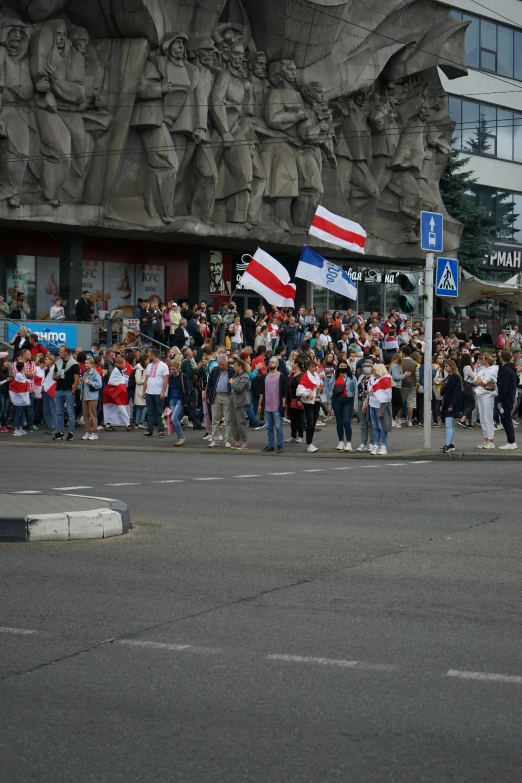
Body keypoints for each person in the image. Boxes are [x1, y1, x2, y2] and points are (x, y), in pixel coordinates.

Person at [259, 355, 288, 453]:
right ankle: (271, 445)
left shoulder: (281, 376)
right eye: (270, 362)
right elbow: (262, 392)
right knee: (269, 427)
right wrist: (260, 404)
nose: (270, 363)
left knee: (279, 427)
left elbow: (284, 392)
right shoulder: (265, 377)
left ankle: (280, 445)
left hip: (277, 406)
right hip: (267, 406)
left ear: (277, 364)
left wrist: (283, 405)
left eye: (272, 362)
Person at [52, 345, 80, 442]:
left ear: (66, 353)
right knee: (59, 412)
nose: (59, 353)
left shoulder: (74, 364)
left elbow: (76, 379)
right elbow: (53, 376)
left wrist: (73, 390)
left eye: (61, 352)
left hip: (68, 390)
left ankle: (71, 432)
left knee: (70, 413)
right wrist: (55, 377)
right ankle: (60, 432)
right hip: (59, 389)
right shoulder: (57, 363)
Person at [207, 354, 234, 448]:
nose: (221, 366)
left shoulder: (232, 371)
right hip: (216, 396)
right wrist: (208, 396)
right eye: (219, 364)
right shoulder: (215, 371)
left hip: (227, 396)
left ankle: (228, 440)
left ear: (227, 363)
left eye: (223, 364)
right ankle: (215, 440)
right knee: (215, 419)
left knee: (228, 419)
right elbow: (210, 384)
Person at [142, 348, 169, 438]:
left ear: (153, 355)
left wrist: (163, 392)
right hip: (149, 392)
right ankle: (149, 430)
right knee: (150, 412)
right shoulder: (149, 366)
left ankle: (161, 430)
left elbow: (165, 380)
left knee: (161, 412)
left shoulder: (163, 366)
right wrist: (144, 390)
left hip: (158, 392)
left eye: (149, 355)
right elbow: (146, 379)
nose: (148, 356)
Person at [296, 358, 321, 453]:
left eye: (315, 366)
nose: (314, 368)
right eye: (312, 366)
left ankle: (310, 442)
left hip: (317, 400)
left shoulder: (316, 376)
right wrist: (306, 394)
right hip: (309, 402)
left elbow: (318, 386)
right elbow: (300, 390)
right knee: (310, 423)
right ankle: (308, 444)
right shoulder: (305, 376)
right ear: (308, 367)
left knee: (313, 423)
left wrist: (320, 389)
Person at [473, 353, 498, 449]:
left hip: (487, 395)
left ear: (487, 360)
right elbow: (475, 381)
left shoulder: (493, 370)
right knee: (483, 418)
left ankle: (491, 440)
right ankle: (486, 439)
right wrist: (481, 381)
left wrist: (481, 381)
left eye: (483, 358)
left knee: (488, 418)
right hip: (480, 395)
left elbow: (483, 382)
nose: (481, 359)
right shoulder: (483, 369)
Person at [368, 363, 393, 455]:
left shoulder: (385, 380)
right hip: (372, 405)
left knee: (382, 427)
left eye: (374, 370)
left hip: (380, 407)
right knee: (375, 427)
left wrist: (382, 410)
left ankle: (383, 446)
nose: (372, 371)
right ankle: (376, 445)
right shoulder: (372, 379)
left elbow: (386, 397)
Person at [332, 359, 356, 451]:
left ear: (347, 367)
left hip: (348, 400)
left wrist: (355, 405)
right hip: (336, 400)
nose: (343, 368)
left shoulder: (351, 377)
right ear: (338, 367)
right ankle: (341, 441)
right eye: (341, 366)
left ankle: (349, 442)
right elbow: (330, 390)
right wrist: (329, 404)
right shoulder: (334, 377)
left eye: (344, 366)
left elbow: (355, 391)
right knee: (339, 421)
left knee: (346, 421)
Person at [497, 349, 518, 450]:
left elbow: (502, 387)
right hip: (510, 396)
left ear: (501, 359)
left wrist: (500, 400)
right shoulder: (512, 369)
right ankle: (511, 441)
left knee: (506, 419)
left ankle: (511, 441)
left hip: (506, 398)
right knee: (506, 419)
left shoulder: (505, 370)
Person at [229, 358, 251, 450]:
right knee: (233, 422)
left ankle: (244, 442)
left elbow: (239, 388)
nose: (234, 368)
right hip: (233, 400)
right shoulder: (235, 375)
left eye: (235, 366)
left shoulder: (245, 376)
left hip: (241, 401)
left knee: (241, 422)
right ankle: (237, 441)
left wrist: (232, 384)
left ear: (241, 366)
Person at [440, 359, 462, 454]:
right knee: (450, 424)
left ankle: (448, 444)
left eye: (446, 366)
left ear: (451, 367)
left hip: (450, 403)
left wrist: (451, 405)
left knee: (449, 424)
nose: (445, 368)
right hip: (448, 402)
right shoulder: (450, 376)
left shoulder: (455, 377)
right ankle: (451, 444)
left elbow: (455, 392)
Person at [168, 357, 190, 447]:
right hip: (172, 400)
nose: (172, 370)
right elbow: (169, 389)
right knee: (175, 419)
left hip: (180, 400)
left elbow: (187, 389)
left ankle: (181, 436)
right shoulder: (170, 378)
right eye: (171, 369)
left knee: (174, 418)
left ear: (178, 368)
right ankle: (179, 437)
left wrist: (185, 401)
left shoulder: (183, 376)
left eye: (174, 369)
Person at [80, 355, 102, 440]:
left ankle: (94, 432)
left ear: (92, 364)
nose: (85, 364)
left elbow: (99, 384)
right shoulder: (85, 373)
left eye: (87, 363)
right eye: (85, 363)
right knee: (86, 415)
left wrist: (90, 382)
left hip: (92, 396)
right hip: (84, 396)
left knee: (92, 414)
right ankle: (88, 431)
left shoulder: (95, 373)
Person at [356, 358, 374, 452]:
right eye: (365, 366)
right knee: (363, 423)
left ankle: (372, 443)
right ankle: (363, 443)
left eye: (368, 366)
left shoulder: (373, 378)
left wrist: (365, 402)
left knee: (370, 423)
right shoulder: (361, 377)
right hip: (360, 401)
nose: (366, 368)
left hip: (370, 402)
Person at [286, 357, 305, 444]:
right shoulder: (293, 374)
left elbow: (303, 388)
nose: (291, 364)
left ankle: (300, 435)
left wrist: (300, 399)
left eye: (293, 363)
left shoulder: (302, 375)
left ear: (297, 364)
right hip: (291, 398)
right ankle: (293, 435)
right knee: (292, 418)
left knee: (299, 418)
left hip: (298, 399)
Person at [399, 346, 417, 426]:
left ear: (403, 353)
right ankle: (409, 421)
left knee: (400, 402)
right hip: (412, 384)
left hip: (402, 384)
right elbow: (417, 375)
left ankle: (398, 419)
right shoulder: (414, 362)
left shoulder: (400, 362)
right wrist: (418, 383)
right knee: (411, 403)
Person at [458, 353, 476, 429]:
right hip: (469, 385)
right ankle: (463, 419)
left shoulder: (461, 367)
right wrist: (475, 370)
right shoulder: (468, 367)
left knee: (467, 404)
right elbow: (473, 376)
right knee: (472, 404)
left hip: (464, 386)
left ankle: (466, 422)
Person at [133, 355, 147, 429]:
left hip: (141, 389)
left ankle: (137, 422)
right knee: (146, 405)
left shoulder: (142, 369)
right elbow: (138, 380)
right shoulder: (139, 369)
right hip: (141, 390)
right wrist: (146, 381)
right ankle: (141, 421)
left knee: (140, 407)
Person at [0, 356, 10, 432]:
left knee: (6, 410)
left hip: (7, 392)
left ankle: (4, 425)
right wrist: (6, 380)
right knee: (1, 409)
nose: (7, 363)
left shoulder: (7, 370)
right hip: (1, 392)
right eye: (5, 361)